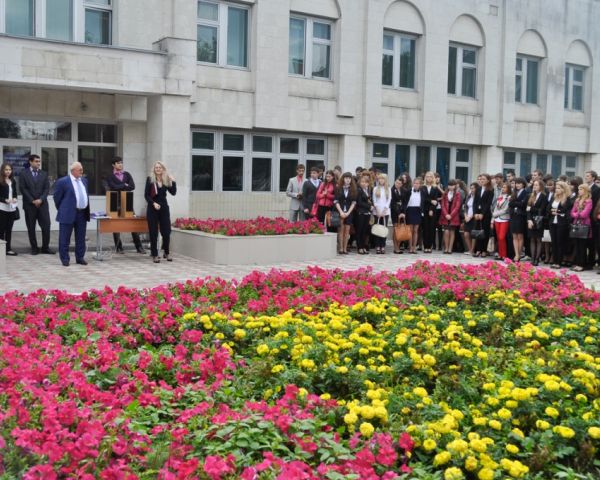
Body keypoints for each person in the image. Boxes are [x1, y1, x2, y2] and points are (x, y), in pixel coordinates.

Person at [105, 156, 145, 254]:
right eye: (118, 163)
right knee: (116, 225)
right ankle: (119, 247)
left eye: (121, 162)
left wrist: (121, 186)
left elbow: (132, 186)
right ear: (113, 165)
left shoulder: (127, 174)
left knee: (133, 224)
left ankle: (139, 247)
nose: (120, 164)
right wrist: (124, 185)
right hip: (115, 202)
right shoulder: (110, 176)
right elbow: (112, 187)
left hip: (127, 201)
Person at [53, 162, 90, 267]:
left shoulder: (84, 181)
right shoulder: (63, 181)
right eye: (80, 170)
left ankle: (80, 257)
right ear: (73, 170)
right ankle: (65, 259)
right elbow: (57, 198)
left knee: (81, 237)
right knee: (64, 238)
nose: (82, 171)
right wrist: (63, 209)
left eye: (82, 169)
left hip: (82, 213)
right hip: (67, 213)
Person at [19, 154, 54, 255]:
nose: (38, 163)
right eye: (36, 161)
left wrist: (41, 199)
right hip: (29, 205)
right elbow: (23, 188)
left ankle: (45, 247)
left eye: (39, 161)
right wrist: (32, 200)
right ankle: (34, 248)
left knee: (46, 226)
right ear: (30, 162)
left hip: (42, 205)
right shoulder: (23, 173)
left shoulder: (44, 173)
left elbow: (46, 189)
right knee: (31, 227)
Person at [145, 161, 176, 263]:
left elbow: (173, 192)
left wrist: (173, 181)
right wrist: (153, 203)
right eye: (156, 167)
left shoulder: (165, 179)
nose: (158, 169)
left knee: (166, 232)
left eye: (160, 167)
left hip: (164, 208)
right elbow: (146, 195)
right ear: (154, 169)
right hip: (152, 208)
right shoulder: (150, 179)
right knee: (153, 232)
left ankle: (166, 252)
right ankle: (154, 254)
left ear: (163, 169)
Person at [547, 181, 573, 269]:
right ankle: (555, 261)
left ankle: (559, 262)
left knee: (560, 243)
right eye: (556, 188)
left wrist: (557, 211)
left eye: (559, 188)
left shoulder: (567, 199)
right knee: (553, 242)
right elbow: (548, 208)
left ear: (563, 189)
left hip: (562, 223)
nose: (556, 190)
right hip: (552, 222)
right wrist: (552, 211)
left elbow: (566, 211)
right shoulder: (553, 197)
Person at [570, 183, 593, 272]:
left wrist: (577, 214)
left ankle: (582, 264)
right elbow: (572, 212)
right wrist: (577, 214)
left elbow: (585, 214)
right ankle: (577, 263)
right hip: (576, 224)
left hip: (584, 224)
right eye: (579, 189)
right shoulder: (577, 200)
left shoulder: (589, 201)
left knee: (582, 246)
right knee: (577, 245)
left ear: (586, 190)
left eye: (581, 189)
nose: (579, 191)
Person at [333, 172, 357, 255]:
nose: (348, 180)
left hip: (349, 213)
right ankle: (340, 248)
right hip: (340, 212)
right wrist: (341, 212)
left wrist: (348, 213)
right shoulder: (338, 188)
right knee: (341, 230)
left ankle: (345, 248)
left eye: (349, 178)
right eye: (346, 178)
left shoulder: (353, 189)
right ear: (343, 179)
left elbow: (354, 202)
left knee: (347, 231)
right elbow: (336, 201)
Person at [526, 179, 548, 266]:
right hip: (531, 220)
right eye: (534, 185)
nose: (534, 186)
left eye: (537, 185)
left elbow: (541, 210)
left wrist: (531, 209)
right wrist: (529, 220)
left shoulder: (544, 196)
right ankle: (532, 258)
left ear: (541, 186)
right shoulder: (530, 195)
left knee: (538, 239)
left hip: (539, 220)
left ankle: (537, 259)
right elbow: (527, 210)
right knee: (532, 239)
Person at [0, 163, 19, 256]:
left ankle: (8, 249)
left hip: (11, 209)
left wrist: (15, 198)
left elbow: (14, 193)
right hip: (2, 208)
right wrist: (5, 200)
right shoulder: (0, 181)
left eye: (10, 170)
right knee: (1, 230)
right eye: (6, 170)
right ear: (2, 170)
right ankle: (1, 249)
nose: (8, 171)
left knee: (9, 230)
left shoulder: (13, 180)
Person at [473, 174, 494, 257]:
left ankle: (484, 250)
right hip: (477, 213)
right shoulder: (478, 189)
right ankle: (478, 249)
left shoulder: (490, 190)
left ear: (488, 180)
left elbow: (488, 203)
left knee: (485, 231)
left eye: (484, 179)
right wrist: (475, 213)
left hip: (486, 214)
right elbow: (475, 202)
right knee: (478, 231)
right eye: (481, 179)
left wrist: (482, 213)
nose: (482, 180)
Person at [439, 179, 461, 254]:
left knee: (452, 231)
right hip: (445, 215)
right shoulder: (445, 194)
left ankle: (450, 249)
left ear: (455, 186)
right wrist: (446, 214)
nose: (451, 187)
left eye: (452, 185)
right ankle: (446, 248)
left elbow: (457, 206)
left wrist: (451, 215)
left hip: (453, 216)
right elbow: (442, 205)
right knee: (446, 231)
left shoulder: (457, 194)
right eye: (449, 185)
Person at [421, 171, 441, 253]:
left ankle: (430, 246)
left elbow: (435, 200)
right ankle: (425, 246)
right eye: (427, 176)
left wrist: (431, 209)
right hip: (424, 210)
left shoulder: (435, 188)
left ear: (433, 178)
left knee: (432, 228)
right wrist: (431, 201)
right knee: (425, 228)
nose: (428, 178)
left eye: (430, 176)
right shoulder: (422, 187)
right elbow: (423, 199)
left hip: (433, 211)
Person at [509, 177, 528, 262]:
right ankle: (516, 254)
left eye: (519, 183)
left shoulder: (526, 193)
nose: (517, 185)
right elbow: (510, 204)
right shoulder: (514, 192)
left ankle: (519, 254)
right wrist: (517, 203)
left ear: (523, 184)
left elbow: (523, 205)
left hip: (521, 216)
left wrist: (515, 203)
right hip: (514, 216)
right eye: (516, 183)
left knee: (520, 236)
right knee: (514, 236)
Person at [372, 173, 391, 254]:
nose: (381, 180)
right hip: (377, 212)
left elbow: (389, 200)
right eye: (380, 179)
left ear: (385, 180)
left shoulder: (388, 189)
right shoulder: (375, 188)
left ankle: (383, 246)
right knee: (377, 229)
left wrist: (384, 211)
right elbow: (374, 200)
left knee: (384, 229)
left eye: (383, 179)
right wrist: (378, 211)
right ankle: (377, 246)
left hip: (385, 212)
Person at [492, 182, 511, 261]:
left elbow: (506, 209)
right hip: (497, 219)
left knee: (502, 237)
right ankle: (500, 254)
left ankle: (504, 254)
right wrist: (493, 219)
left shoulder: (509, 197)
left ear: (508, 189)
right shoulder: (500, 196)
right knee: (498, 238)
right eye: (502, 187)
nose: (503, 189)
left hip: (504, 219)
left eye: (505, 187)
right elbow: (495, 207)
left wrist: (495, 214)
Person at [355, 175, 373, 255]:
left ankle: (363, 246)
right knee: (359, 230)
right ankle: (359, 247)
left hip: (367, 213)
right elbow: (359, 202)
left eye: (365, 182)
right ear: (359, 182)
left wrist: (371, 205)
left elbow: (368, 201)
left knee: (365, 231)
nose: (364, 183)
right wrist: (369, 206)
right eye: (362, 182)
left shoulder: (367, 191)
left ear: (368, 183)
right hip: (360, 213)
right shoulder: (358, 190)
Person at [406, 177, 424, 254]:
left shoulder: (422, 192)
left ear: (420, 184)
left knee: (416, 230)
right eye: (415, 183)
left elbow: (423, 202)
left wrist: (422, 211)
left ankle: (414, 247)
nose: (416, 185)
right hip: (410, 210)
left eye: (418, 183)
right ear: (413, 184)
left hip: (418, 211)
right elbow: (405, 201)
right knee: (410, 230)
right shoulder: (409, 191)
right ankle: (410, 247)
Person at [391, 176, 408, 254]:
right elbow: (393, 203)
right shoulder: (391, 190)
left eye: (399, 183)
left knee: (401, 229)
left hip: (402, 212)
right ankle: (395, 247)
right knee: (396, 229)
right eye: (396, 182)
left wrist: (403, 212)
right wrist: (398, 213)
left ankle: (398, 246)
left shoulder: (404, 190)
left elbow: (405, 202)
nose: (397, 184)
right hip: (395, 212)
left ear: (402, 184)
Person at [462, 182, 478, 256]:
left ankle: (472, 250)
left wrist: (471, 216)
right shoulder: (469, 196)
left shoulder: (478, 197)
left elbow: (477, 208)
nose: (472, 190)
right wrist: (465, 215)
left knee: (473, 234)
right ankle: (470, 249)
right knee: (466, 234)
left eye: (473, 188)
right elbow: (465, 206)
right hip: (467, 217)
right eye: (471, 188)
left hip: (474, 217)